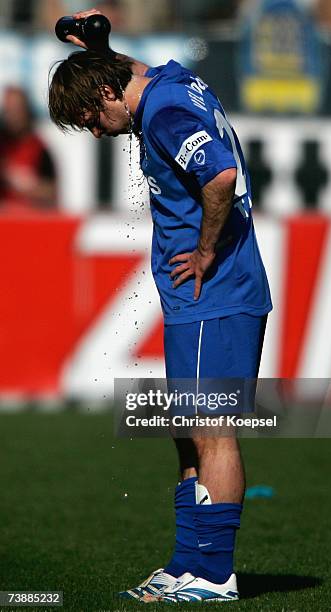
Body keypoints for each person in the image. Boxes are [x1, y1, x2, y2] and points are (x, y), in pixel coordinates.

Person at [48, 8, 272, 603]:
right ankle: (186, 563)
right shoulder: (165, 84)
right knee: (188, 432)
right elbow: (131, 76)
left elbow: (219, 178)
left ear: (105, 91)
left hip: (215, 293)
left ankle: (215, 573)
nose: (96, 131)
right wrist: (99, 43)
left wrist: (203, 253)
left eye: (92, 117)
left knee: (212, 432)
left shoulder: (166, 111)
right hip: (200, 300)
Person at [0, 86, 57, 211]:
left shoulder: (39, 149)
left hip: (28, 220)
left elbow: (52, 192)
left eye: (17, 110)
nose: (12, 116)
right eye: (8, 111)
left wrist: (30, 186)